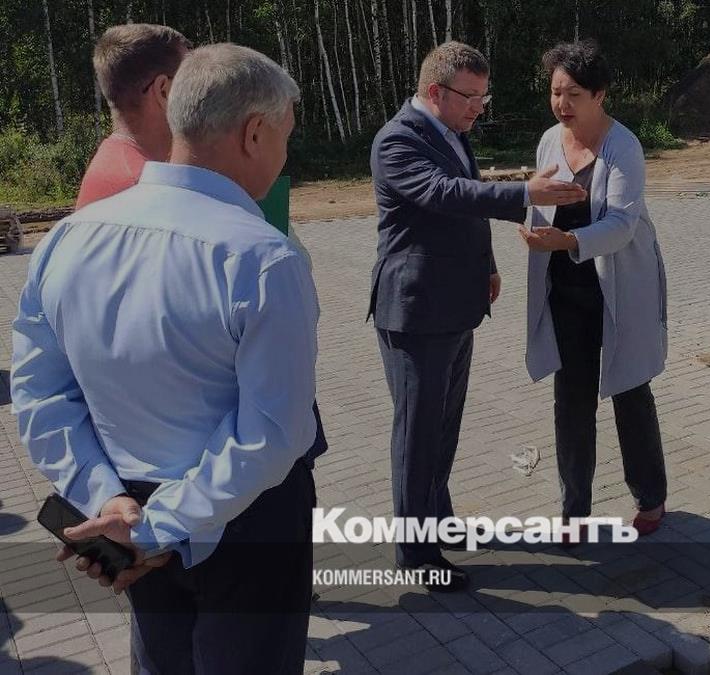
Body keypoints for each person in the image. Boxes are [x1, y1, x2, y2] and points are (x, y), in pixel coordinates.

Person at [11, 44, 318, 673]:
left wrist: (107, 501)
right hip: (241, 519)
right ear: (254, 133)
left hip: (124, 505)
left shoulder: (68, 238)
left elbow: (40, 395)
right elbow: (272, 432)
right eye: (285, 136)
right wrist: (156, 528)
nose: (285, 155)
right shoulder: (262, 258)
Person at [369, 40, 586, 590]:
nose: (478, 109)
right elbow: (444, 193)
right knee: (417, 435)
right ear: (434, 91)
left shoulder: (452, 132)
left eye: (483, 98)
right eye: (471, 97)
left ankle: (437, 519)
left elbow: (467, 208)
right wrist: (526, 193)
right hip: (416, 311)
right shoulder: (398, 140)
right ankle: (416, 554)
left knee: (443, 427)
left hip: (455, 305)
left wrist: (487, 264)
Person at [518, 41, 669, 541]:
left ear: (600, 95)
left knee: (630, 391)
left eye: (574, 94)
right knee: (572, 402)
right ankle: (574, 511)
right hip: (566, 292)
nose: (562, 104)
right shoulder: (549, 141)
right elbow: (540, 201)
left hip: (619, 287)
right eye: (555, 92)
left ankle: (650, 496)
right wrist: (534, 227)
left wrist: (568, 241)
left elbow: (622, 224)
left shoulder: (623, 146)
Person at [76, 23, 191, 209]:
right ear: (164, 91)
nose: (198, 93)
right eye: (189, 80)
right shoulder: (145, 189)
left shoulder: (114, 162)